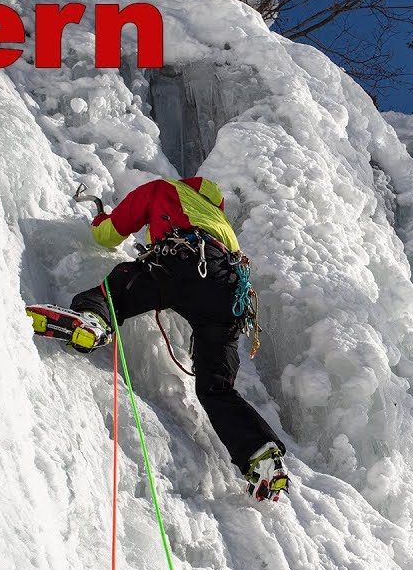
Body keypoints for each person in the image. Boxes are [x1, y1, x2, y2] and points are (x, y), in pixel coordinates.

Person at [34, 176, 290, 501]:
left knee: (120, 285)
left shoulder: (165, 189)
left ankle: (93, 320)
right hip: (229, 294)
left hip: (184, 261)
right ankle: (262, 455)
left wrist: (100, 222)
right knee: (216, 387)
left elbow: (111, 233)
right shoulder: (221, 221)